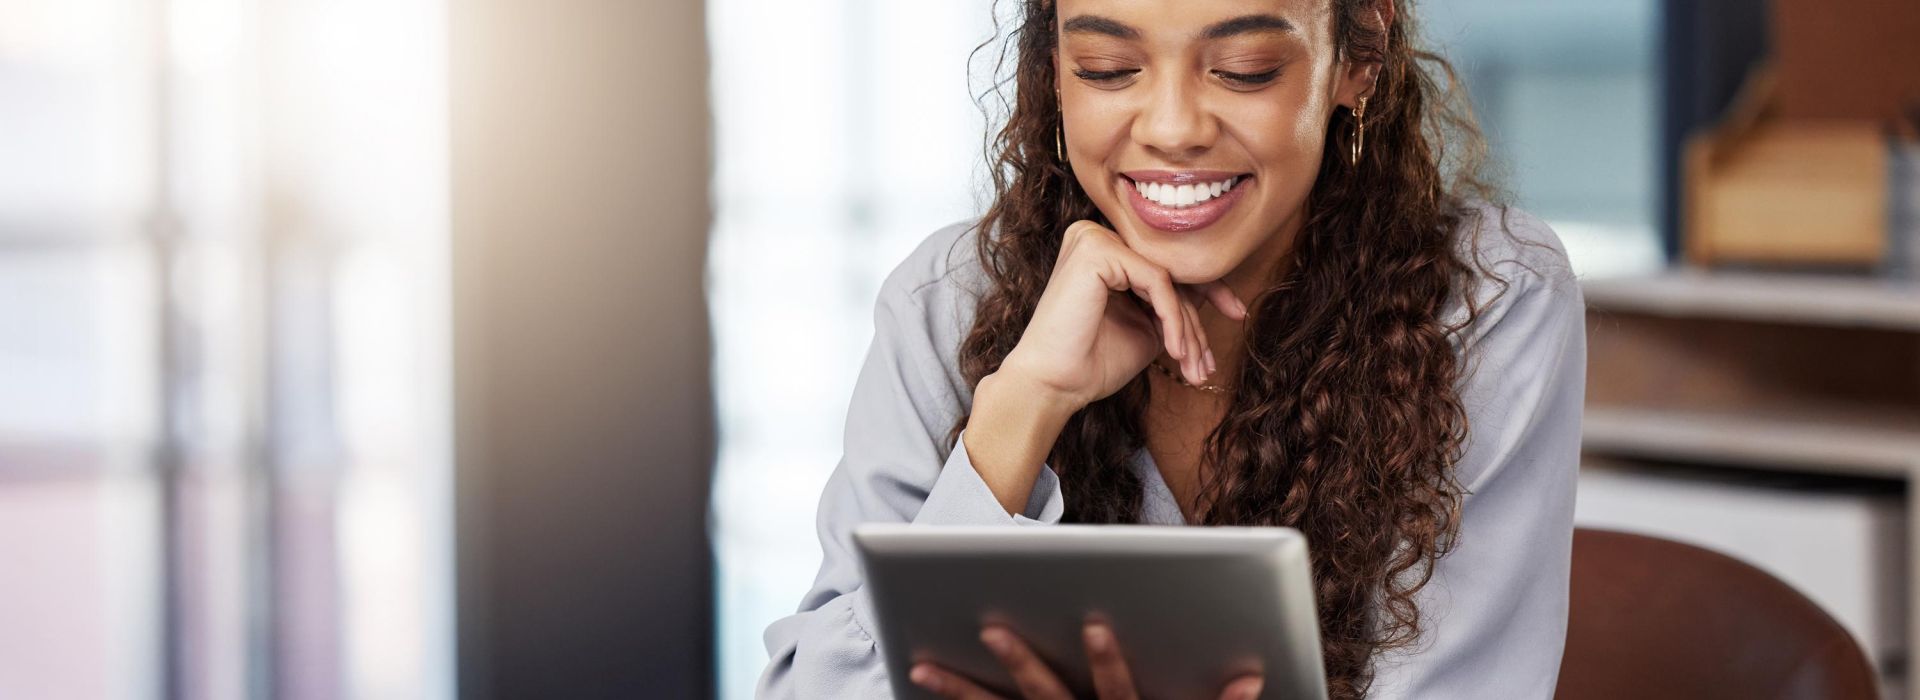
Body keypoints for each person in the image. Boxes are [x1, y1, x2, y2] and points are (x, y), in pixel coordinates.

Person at [759, 0, 1584, 697]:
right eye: (1108, 69)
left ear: (1358, 56)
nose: (1173, 129)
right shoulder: (948, 301)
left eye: (1248, 69)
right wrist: (1024, 403)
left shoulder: (1485, 302)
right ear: (1053, 68)